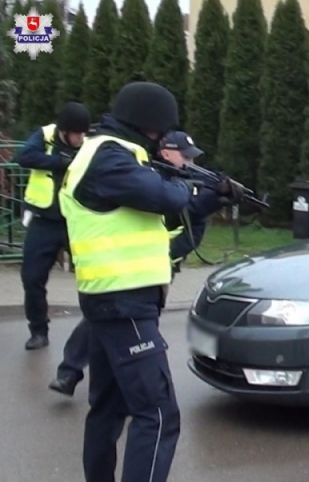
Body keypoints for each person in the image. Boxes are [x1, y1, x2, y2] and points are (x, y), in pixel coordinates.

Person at [57, 81, 237, 482]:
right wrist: (185, 183)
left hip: (113, 302)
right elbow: (168, 197)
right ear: (147, 124)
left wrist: (209, 199)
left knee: (108, 409)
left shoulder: (111, 157)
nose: (160, 141)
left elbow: (164, 221)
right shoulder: (110, 158)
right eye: (159, 132)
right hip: (125, 305)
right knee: (158, 415)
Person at [47, 130, 237, 396]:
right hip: (132, 266)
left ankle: (93, 376)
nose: (189, 162)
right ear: (166, 152)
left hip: (158, 265)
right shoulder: (148, 174)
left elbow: (191, 224)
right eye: (185, 156)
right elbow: (169, 208)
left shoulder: (184, 179)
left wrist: (216, 198)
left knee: (123, 330)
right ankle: (71, 371)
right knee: (107, 326)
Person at [17, 102, 91, 350]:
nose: (80, 138)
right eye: (75, 134)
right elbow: (24, 157)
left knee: (93, 278)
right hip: (44, 222)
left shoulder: (89, 144)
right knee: (32, 277)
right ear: (63, 131)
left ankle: (98, 329)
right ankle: (38, 330)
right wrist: (60, 161)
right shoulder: (44, 135)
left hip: (76, 222)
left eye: (83, 133)